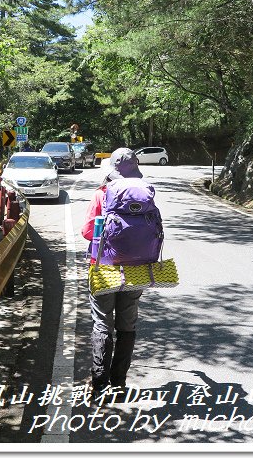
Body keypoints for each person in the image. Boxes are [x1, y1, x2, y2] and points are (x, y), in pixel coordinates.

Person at [81, 148, 145, 394]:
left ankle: (99, 385)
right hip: (136, 268)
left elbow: (88, 232)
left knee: (102, 323)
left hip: (104, 267)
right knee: (127, 325)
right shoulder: (143, 193)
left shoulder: (102, 194)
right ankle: (119, 383)